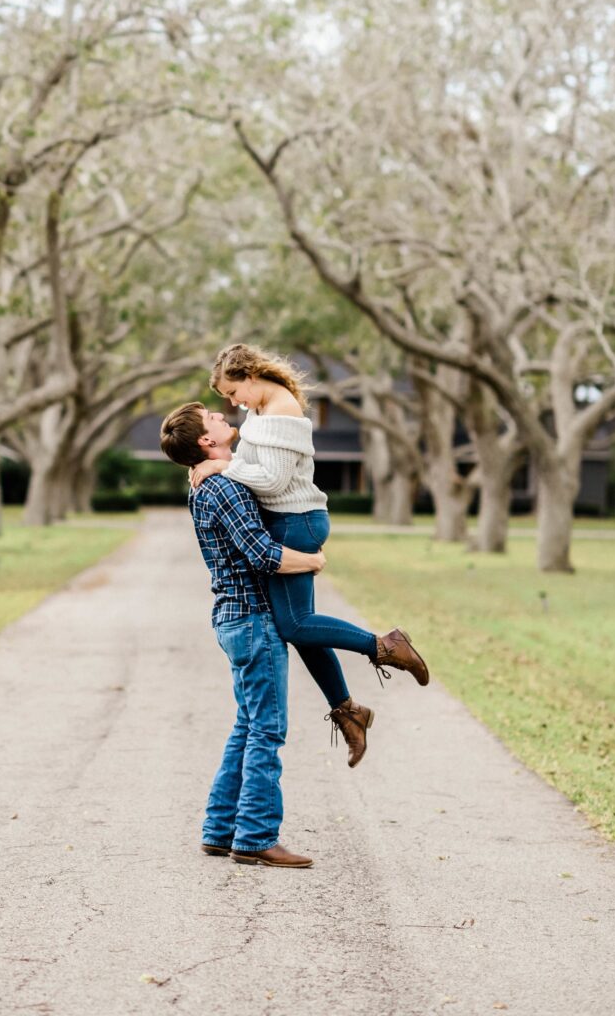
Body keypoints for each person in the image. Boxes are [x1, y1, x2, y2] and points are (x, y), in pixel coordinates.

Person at [188, 343, 429, 766]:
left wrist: (223, 467)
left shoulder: (282, 411)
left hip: (295, 520)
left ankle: (385, 646)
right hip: (289, 520)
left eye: (232, 391)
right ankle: (349, 711)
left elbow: (275, 482)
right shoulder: (261, 411)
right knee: (302, 627)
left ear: (249, 376)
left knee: (297, 624)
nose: (231, 402)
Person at [160, 401, 321, 868]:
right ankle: (255, 837)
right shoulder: (225, 488)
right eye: (213, 418)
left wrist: (220, 462)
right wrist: (312, 561)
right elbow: (262, 553)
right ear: (205, 441)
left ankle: (219, 829)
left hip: (232, 618)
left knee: (247, 726)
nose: (223, 417)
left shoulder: (207, 480)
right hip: (253, 618)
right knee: (267, 730)